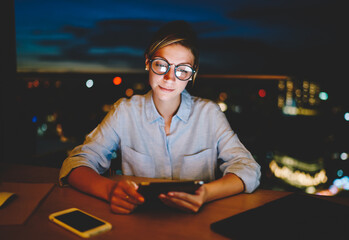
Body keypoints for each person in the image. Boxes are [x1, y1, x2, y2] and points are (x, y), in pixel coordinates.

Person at [59, 20, 261, 214]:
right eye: (161, 64)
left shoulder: (209, 114)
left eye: (182, 70)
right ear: (148, 62)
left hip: (195, 219)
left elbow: (248, 169)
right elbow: (77, 162)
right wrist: (109, 190)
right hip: (137, 216)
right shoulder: (125, 112)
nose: (169, 78)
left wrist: (206, 193)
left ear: (192, 75)